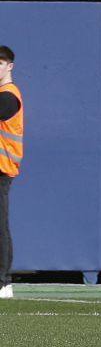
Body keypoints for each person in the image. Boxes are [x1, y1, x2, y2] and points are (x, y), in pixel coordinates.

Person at [0, 45, 23, 300]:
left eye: (1, 62)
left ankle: (3, 283)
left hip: (2, 169)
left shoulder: (9, 94)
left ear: (10, 66)